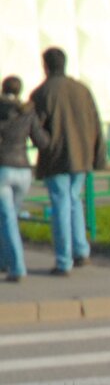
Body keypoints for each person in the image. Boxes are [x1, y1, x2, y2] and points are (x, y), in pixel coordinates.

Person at [31, 47, 106, 276]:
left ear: (45, 66)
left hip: (56, 158)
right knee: (74, 201)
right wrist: (98, 156)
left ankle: (64, 261)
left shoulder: (42, 93)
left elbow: (34, 127)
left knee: (61, 205)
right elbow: (95, 122)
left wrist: (45, 144)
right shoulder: (81, 89)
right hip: (81, 157)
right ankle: (81, 252)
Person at [0, 76, 50, 282]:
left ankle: (17, 267)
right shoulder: (27, 111)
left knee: (7, 218)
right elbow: (42, 141)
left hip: (3, 169)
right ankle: (5, 260)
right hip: (24, 171)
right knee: (10, 217)